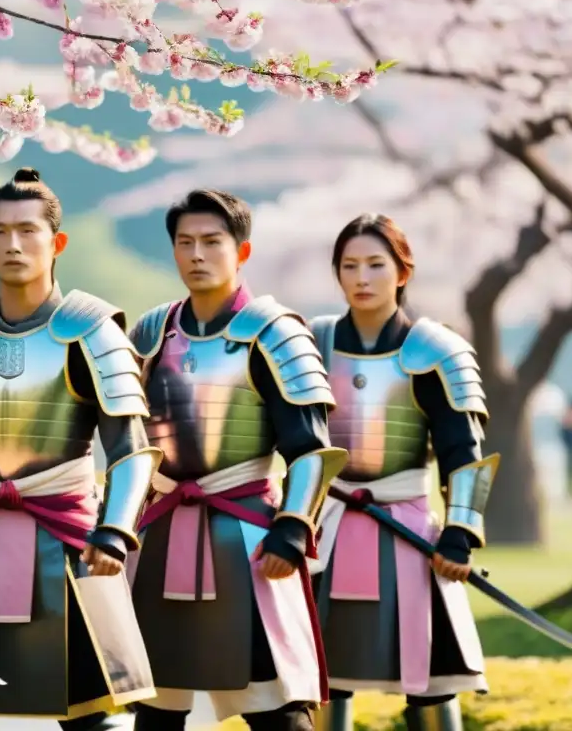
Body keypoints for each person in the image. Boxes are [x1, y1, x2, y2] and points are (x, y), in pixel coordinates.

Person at [0, 167, 159, 730]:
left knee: (97, 718)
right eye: (0, 231)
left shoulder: (93, 330)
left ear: (56, 241)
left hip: (72, 542)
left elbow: (131, 449)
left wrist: (114, 533)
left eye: (28, 230)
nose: (13, 244)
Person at [126, 189, 346, 731]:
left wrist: (292, 529)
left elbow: (310, 448)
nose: (196, 254)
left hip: (248, 537)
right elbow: (125, 442)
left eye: (211, 242)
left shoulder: (275, 333)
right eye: (185, 243)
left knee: (278, 710)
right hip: (161, 534)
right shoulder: (153, 334)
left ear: (240, 251)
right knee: (155, 708)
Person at [308, 213, 496, 731]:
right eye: (349, 266)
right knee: (320, 678)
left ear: (402, 271)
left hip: (407, 532)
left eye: (375, 264)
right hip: (327, 530)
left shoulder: (436, 350)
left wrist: (459, 531)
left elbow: (464, 449)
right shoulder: (312, 344)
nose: (361, 278)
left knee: (430, 678)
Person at [561, 396, 572, 498]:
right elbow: (563, 434)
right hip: (570, 450)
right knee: (570, 470)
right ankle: (570, 491)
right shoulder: (567, 424)